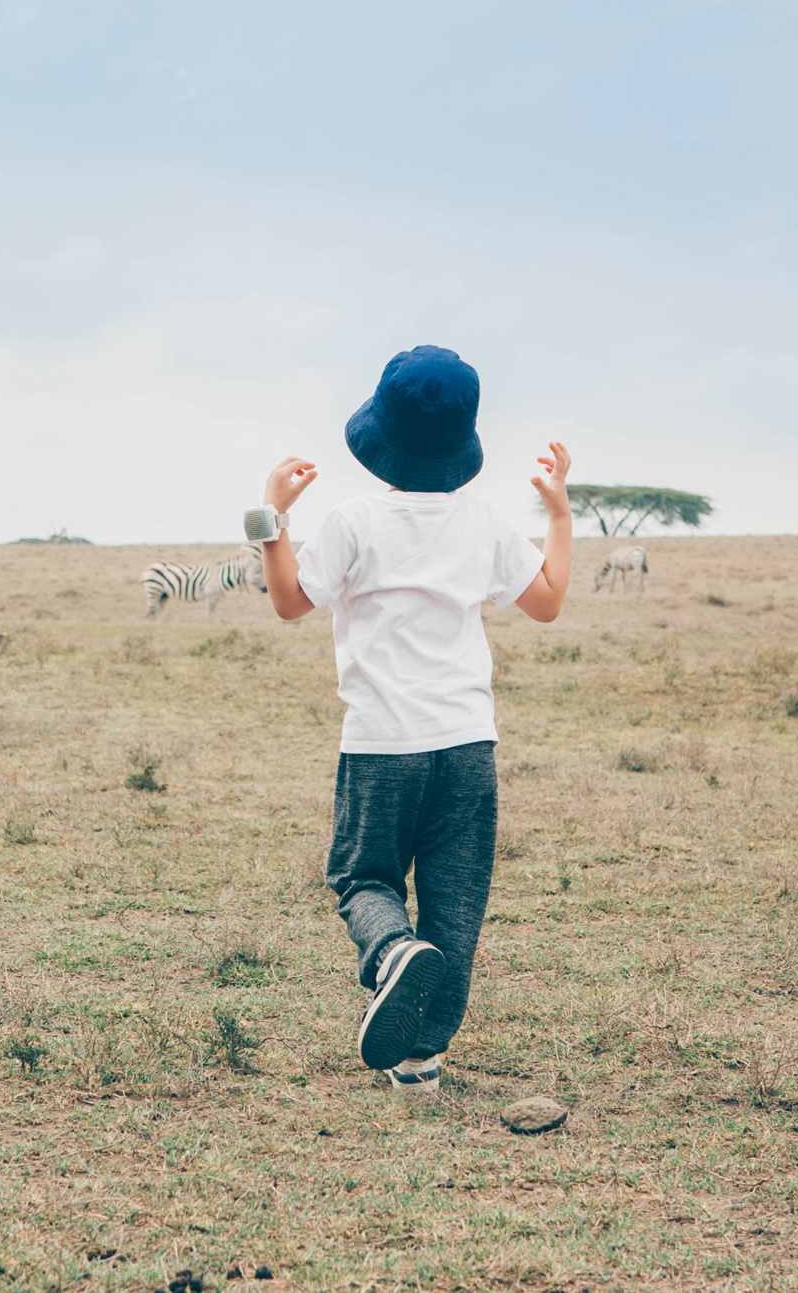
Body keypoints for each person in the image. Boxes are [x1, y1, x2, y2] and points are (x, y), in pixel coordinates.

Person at [254, 344, 572, 1093]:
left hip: (381, 745)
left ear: (379, 438)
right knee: (456, 904)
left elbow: (291, 600)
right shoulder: (485, 523)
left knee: (363, 874)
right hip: (468, 746)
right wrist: (558, 511)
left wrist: (271, 520)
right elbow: (550, 599)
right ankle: (420, 1060)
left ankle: (391, 951)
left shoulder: (353, 520)